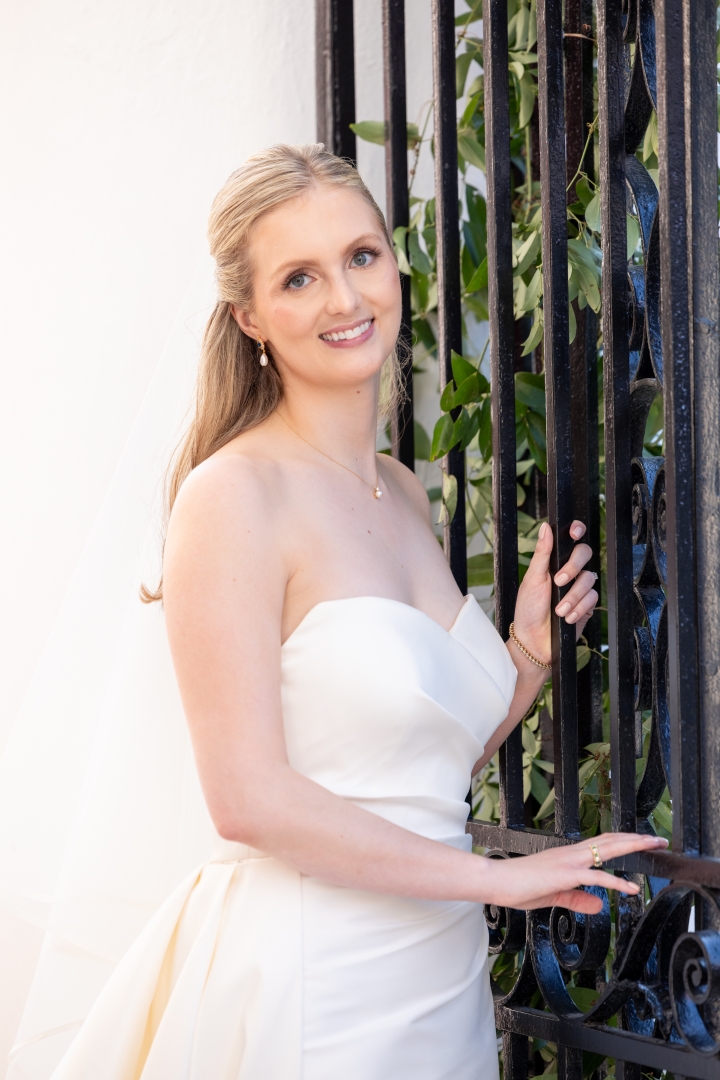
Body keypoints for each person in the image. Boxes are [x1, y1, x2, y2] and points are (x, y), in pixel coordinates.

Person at [44, 144, 665, 1080]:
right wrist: (497, 880)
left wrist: (527, 657)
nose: (344, 297)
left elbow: (403, 769)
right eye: (299, 278)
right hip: (321, 988)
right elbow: (248, 798)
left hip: (439, 980)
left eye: (361, 256)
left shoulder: (401, 491)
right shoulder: (233, 496)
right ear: (249, 316)